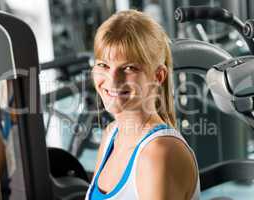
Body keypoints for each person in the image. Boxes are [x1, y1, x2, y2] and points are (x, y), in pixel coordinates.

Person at [85, 9, 200, 200]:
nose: (112, 80)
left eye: (129, 68)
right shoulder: (111, 135)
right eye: (103, 65)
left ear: (158, 76)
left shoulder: (159, 153)